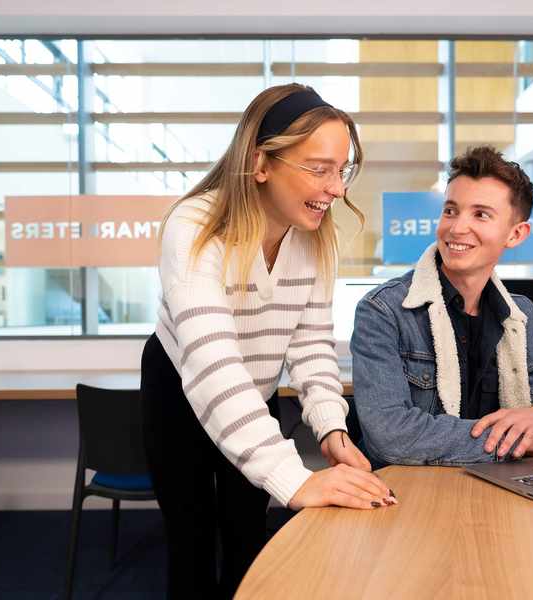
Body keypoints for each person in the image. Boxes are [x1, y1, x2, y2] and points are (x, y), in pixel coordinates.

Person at [141, 84, 395, 600]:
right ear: (261, 163)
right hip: (182, 389)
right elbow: (213, 364)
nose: (336, 189)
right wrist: (294, 479)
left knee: (248, 537)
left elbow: (311, 345)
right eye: (319, 169)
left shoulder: (315, 236)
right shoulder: (194, 227)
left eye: (341, 170)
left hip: (254, 390)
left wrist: (330, 426)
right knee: (191, 542)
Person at [351, 145, 533, 469]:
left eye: (481, 214)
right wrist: (524, 443)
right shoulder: (384, 310)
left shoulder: (521, 316)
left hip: (499, 485)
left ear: (515, 234)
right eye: (451, 211)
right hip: (410, 489)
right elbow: (390, 435)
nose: (457, 228)